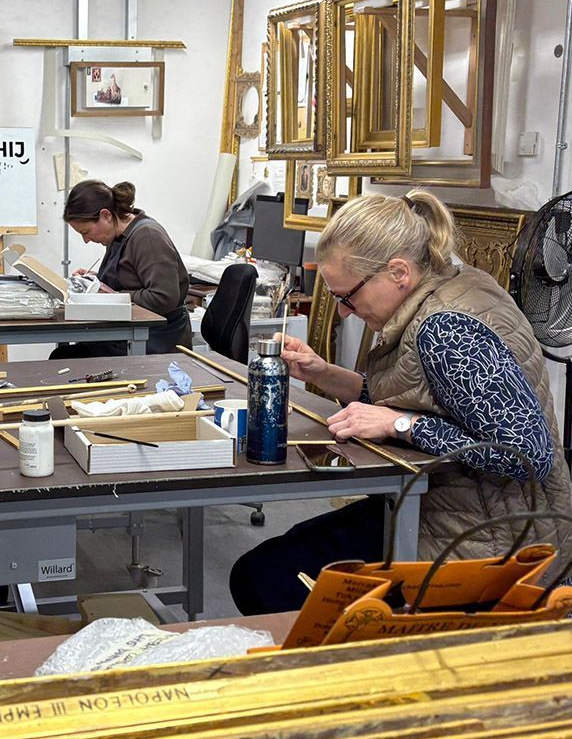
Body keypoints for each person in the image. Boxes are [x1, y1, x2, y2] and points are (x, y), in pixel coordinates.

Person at [229, 190, 572, 615]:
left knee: (267, 579)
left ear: (398, 272)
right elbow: (428, 398)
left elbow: (525, 454)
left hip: (490, 541)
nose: (343, 313)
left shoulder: (447, 328)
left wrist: (400, 426)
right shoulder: (446, 290)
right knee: (279, 560)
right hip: (448, 508)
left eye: (347, 298)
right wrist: (323, 373)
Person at [53, 179, 191, 358]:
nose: (86, 240)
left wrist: (114, 297)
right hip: (130, 332)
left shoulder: (147, 237)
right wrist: (93, 280)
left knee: (65, 359)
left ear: (106, 216)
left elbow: (163, 297)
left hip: (156, 340)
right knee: (63, 356)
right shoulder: (118, 236)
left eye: (85, 232)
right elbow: (130, 276)